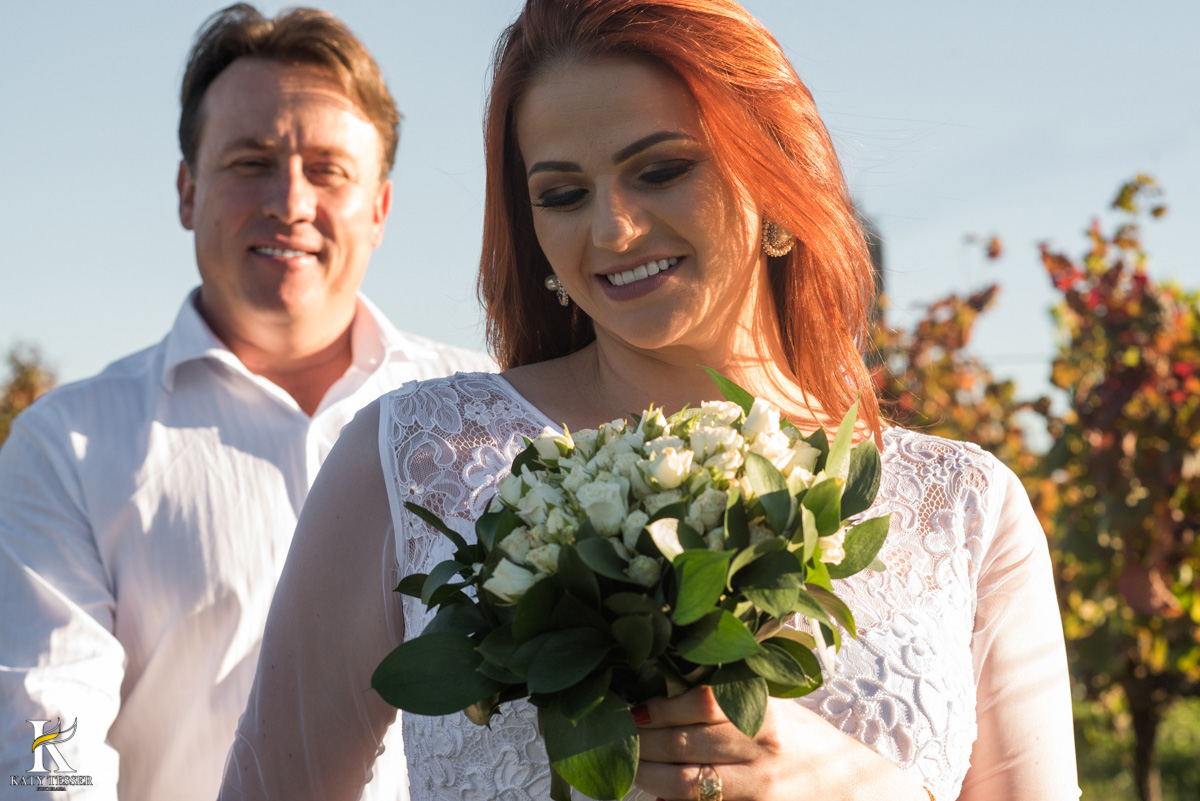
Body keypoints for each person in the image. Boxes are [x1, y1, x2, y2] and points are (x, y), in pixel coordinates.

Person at [219, 1, 1081, 799]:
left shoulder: (966, 508)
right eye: (562, 194)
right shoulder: (417, 459)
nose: (612, 230)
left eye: (661, 170)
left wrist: (868, 787)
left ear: (780, 182)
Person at [0, 5, 492, 800]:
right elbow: (46, 738)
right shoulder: (66, 446)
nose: (289, 201)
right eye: (251, 161)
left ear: (380, 209)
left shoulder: (487, 417)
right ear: (187, 190)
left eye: (328, 168)